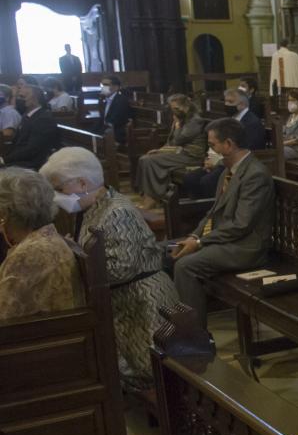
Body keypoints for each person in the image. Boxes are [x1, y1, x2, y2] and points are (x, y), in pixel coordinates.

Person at [41, 147, 179, 392]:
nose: (57, 197)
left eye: (60, 189)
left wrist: (72, 258)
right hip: (123, 301)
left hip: (141, 303)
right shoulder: (92, 206)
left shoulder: (116, 213)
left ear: (83, 182)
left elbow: (121, 269)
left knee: (138, 371)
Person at [168, 118, 274, 328]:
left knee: (186, 266)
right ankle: (174, 321)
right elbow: (213, 213)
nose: (210, 150)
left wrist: (200, 243)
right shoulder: (228, 170)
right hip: (225, 240)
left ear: (228, 144)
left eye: (212, 145)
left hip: (245, 247)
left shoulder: (255, 175)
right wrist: (194, 236)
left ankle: (194, 335)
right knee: (166, 251)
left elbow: (241, 225)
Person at [0, 168, 83, 322]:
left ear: (5, 213)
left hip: (37, 341)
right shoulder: (46, 236)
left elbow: (4, 316)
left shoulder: (29, 253)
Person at [133, 94, 207, 208]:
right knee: (144, 159)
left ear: (186, 106)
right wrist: (160, 150)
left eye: (177, 108)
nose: (174, 111)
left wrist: (177, 126)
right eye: (172, 108)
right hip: (178, 152)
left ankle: (153, 198)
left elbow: (178, 140)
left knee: (150, 161)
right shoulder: (181, 118)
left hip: (191, 155)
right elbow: (170, 141)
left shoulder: (195, 120)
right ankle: (147, 196)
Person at [0, 88, 60, 171]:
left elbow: (32, 149)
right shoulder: (28, 116)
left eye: (22, 97)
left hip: (31, 164)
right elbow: (18, 144)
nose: (18, 100)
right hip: (20, 160)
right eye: (18, 97)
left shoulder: (43, 119)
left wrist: (4, 160)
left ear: (35, 100)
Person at [98, 76, 134, 145]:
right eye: (102, 85)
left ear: (116, 87)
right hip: (107, 131)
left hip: (117, 134)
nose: (103, 87)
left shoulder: (121, 101)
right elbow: (102, 120)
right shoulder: (105, 100)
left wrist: (99, 133)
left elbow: (114, 121)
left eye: (106, 85)